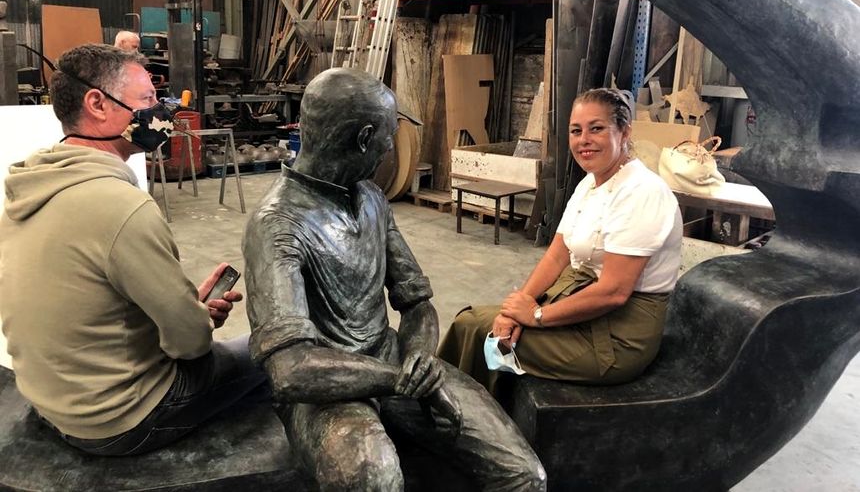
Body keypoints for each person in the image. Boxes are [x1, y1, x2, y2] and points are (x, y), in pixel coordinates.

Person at [243, 67, 545, 491]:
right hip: (323, 395)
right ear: (364, 138)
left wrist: (419, 358)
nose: (390, 147)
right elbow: (291, 371)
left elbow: (416, 302)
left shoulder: (370, 198)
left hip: (394, 361)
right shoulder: (276, 225)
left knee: (523, 474)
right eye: (388, 135)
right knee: (375, 479)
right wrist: (402, 380)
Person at [0, 43, 267, 456]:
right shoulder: (122, 207)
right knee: (269, 349)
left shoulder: (30, 187)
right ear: (97, 104)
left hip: (50, 401)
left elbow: (88, 302)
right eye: (146, 101)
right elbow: (189, 343)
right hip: (117, 420)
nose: (160, 112)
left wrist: (182, 304)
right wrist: (194, 317)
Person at [438, 88, 683, 392]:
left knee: (477, 331)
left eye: (597, 129)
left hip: (617, 336)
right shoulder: (588, 186)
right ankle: (452, 409)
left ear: (624, 132)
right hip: (581, 303)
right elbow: (557, 255)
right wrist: (516, 308)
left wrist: (537, 315)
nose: (584, 140)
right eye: (576, 131)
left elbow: (614, 292)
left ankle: (452, 417)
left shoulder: (642, 191)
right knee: (480, 322)